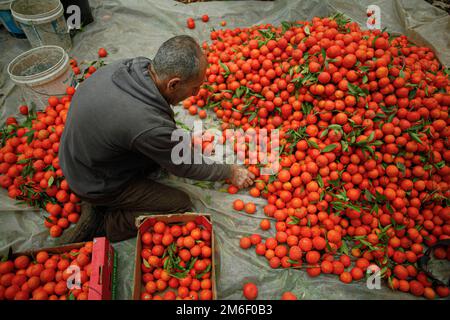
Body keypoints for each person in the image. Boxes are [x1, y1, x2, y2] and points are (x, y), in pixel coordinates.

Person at [59, 35, 255, 243]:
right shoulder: (148, 124)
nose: (197, 93)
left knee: (158, 150)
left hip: (79, 158)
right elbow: (184, 165)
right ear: (173, 84)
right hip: (95, 181)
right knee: (179, 204)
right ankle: (106, 223)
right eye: (194, 88)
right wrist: (230, 171)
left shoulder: (134, 66)